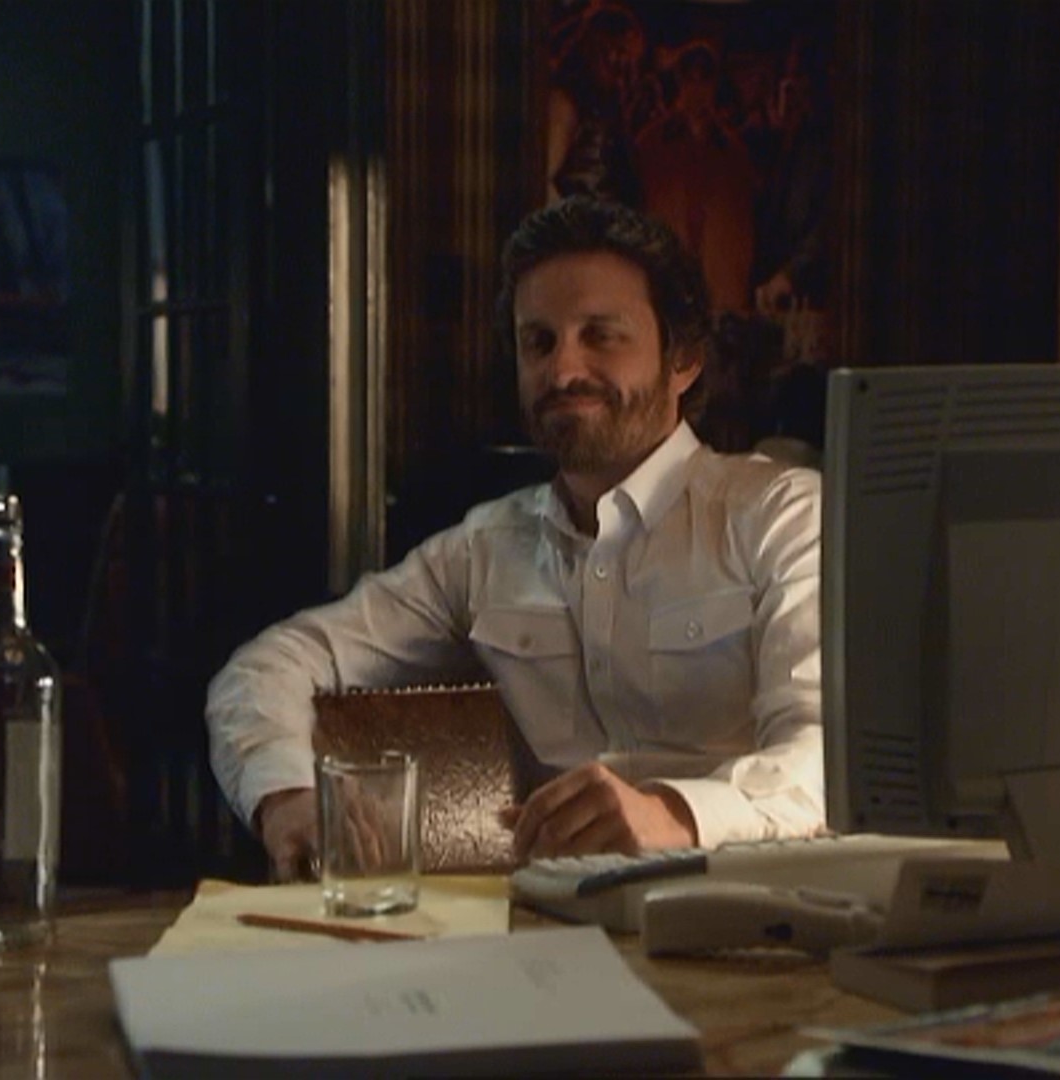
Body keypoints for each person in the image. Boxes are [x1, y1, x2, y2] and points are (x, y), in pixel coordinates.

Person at [206, 196, 824, 881]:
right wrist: (287, 799)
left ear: (684, 360)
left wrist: (675, 815)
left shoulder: (783, 517)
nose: (563, 372)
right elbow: (264, 670)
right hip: (545, 922)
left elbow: (827, 757)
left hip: (750, 916)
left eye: (601, 336)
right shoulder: (485, 550)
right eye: (539, 342)